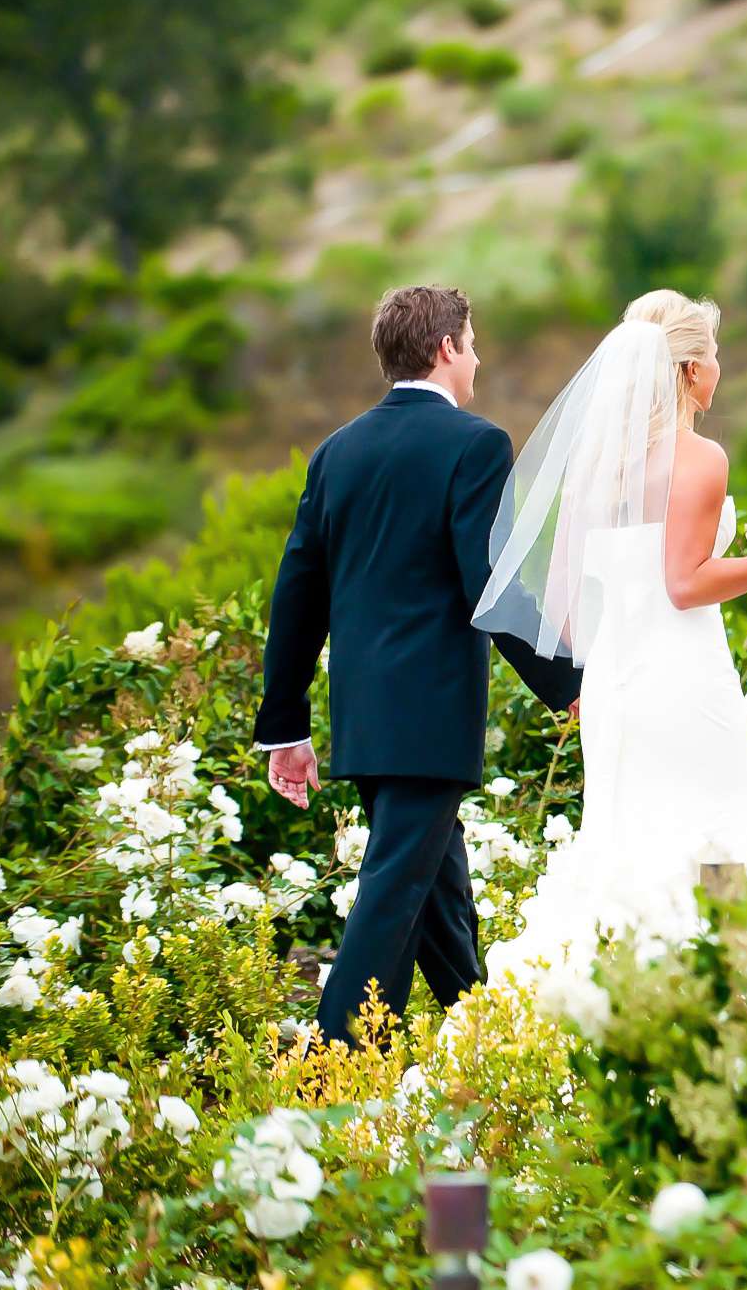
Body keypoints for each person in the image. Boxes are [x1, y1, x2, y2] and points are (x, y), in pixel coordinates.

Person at [472, 289, 747, 989]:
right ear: (692, 370)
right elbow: (684, 582)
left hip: (613, 676)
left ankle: (619, 988)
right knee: (717, 826)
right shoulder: (699, 458)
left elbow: (564, 604)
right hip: (683, 672)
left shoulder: (593, 469)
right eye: (715, 354)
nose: (719, 367)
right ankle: (734, 984)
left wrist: (610, 651)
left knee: (625, 835)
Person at [253, 284, 581, 1047]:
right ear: (445, 349)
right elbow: (491, 586)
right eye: (472, 343)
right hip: (431, 715)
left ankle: (489, 1046)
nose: (479, 358)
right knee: (391, 894)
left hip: (367, 717)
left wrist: (285, 726)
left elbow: (296, 593)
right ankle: (334, 1071)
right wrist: (571, 685)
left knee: (438, 902)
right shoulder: (475, 444)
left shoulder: (337, 451)